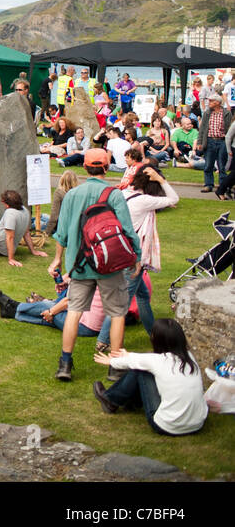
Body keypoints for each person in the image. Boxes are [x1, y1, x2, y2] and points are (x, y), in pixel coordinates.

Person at [50, 148, 142, 382]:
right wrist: (137, 257)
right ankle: (115, 365)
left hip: (80, 265)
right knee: (118, 313)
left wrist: (58, 259)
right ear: (107, 167)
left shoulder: (71, 195)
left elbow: (61, 234)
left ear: (85, 167)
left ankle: (65, 363)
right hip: (110, 264)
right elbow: (128, 230)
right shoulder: (115, 195)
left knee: (74, 311)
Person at [93, 163, 177, 355]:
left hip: (116, 251)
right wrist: (161, 179)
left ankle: (153, 332)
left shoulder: (122, 194)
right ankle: (103, 340)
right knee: (122, 301)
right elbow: (174, 198)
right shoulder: (145, 201)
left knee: (142, 296)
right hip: (133, 258)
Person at [93, 319, 207, 436]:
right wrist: (129, 355)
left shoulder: (158, 361)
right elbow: (146, 359)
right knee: (143, 366)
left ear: (158, 340)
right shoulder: (189, 357)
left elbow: (140, 361)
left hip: (167, 425)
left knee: (140, 371)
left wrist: (111, 361)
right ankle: (130, 402)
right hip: (197, 424)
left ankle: (110, 400)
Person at [196, 93, 231, 192]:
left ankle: (223, 186)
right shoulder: (207, 113)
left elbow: (229, 128)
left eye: (211, 101)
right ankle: (208, 184)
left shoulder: (226, 113)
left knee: (221, 165)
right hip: (210, 141)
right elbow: (202, 129)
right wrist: (200, 142)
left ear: (218, 103)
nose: (209, 102)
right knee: (208, 165)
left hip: (222, 141)